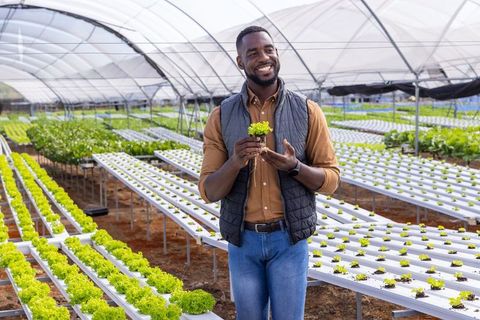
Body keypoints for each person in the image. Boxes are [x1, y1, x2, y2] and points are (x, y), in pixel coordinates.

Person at [199, 25, 340, 320]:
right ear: (240, 62)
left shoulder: (307, 111)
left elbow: (331, 181)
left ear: (276, 55)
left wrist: (295, 167)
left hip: (288, 240)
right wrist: (235, 160)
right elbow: (209, 191)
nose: (263, 57)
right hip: (243, 243)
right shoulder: (221, 116)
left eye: (269, 50)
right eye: (252, 52)